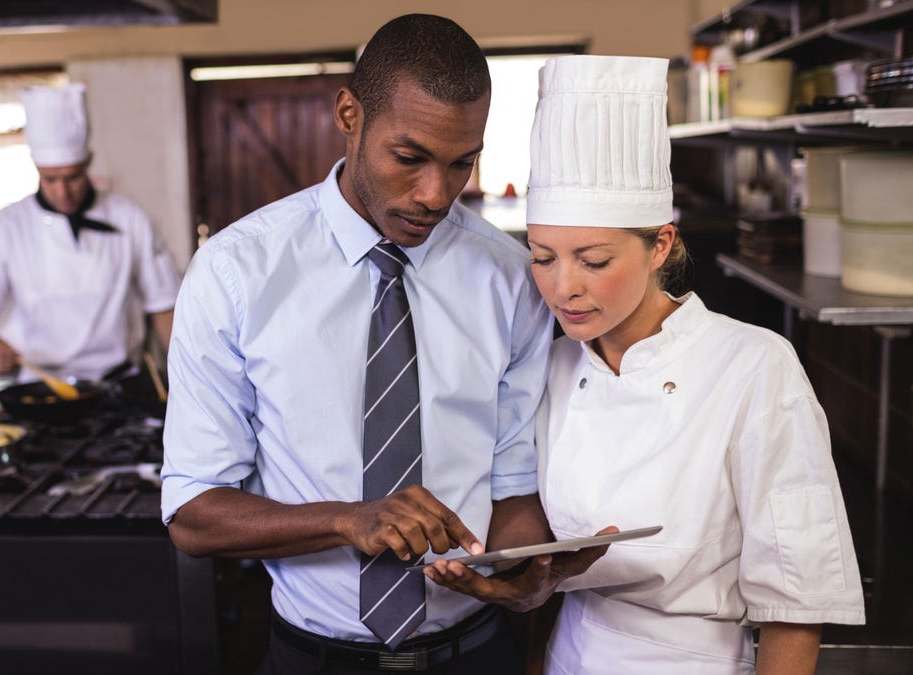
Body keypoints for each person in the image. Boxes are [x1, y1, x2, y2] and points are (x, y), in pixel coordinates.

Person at [160, 14, 610, 675]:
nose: (435, 194)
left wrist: (526, 570)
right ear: (349, 113)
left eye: (462, 163)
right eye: (410, 158)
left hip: (477, 654)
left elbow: (512, 484)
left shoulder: (509, 278)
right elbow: (194, 514)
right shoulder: (237, 272)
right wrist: (349, 519)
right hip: (311, 658)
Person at [426, 54, 866, 674]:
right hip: (569, 656)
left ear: (659, 243)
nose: (563, 288)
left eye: (594, 260)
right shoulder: (545, 368)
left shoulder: (754, 366)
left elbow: (796, 599)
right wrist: (519, 585)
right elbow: (544, 571)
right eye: (544, 256)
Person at [0, 83, 180, 382]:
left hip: (119, 384)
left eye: (73, 177)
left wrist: (182, 379)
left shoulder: (130, 217)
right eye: (50, 179)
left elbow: (164, 306)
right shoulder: (3, 229)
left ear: (88, 163)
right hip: (41, 386)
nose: (62, 191)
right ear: (36, 168)